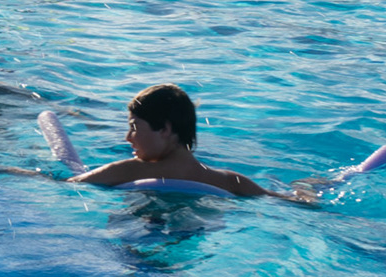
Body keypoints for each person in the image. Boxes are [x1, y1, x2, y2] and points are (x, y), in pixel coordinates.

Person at [70, 83, 304, 199]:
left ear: (165, 129)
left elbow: (68, 185)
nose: (128, 137)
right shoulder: (232, 182)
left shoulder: (128, 171)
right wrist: (307, 190)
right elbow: (292, 203)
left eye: (134, 127)